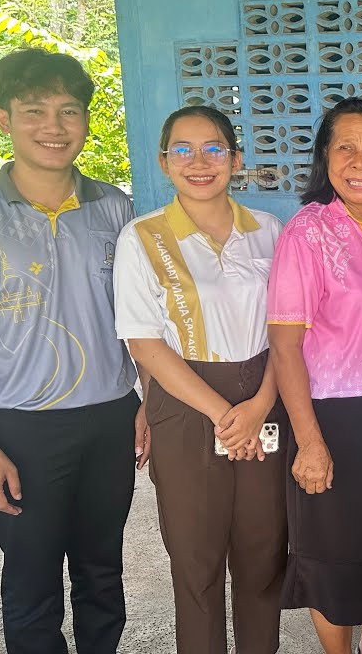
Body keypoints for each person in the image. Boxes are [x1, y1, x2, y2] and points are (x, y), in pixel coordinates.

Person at [0, 47, 140, 654]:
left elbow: (135, 322)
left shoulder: (115, 210)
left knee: (103, 571)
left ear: (86, 121)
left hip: (110, 418)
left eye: (68, 110)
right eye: (34, 110)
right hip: (22, 428)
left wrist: (143, 402)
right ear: (3, 118)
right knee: (30, 579)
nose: (53, 126)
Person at [113, 105, 287, 653]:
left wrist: (259, 404)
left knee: (263, 555)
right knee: (196, 562)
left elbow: (289, 330)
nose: (199, 161)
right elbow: (144, 343)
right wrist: (222, 415)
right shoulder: (141, 238)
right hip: (186, 406)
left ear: (236, 159)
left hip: (265, 397)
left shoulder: (268, 230)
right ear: (164, 162)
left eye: (213, 148)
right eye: (182, 150)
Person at [267, 97, 362, 654]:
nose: (361, 161)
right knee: (333, 550)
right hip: (332, 414)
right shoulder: (307, 232)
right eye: (346, 148)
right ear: (325, 158)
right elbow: (285, 347)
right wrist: (309, 441)